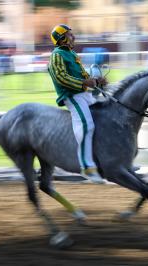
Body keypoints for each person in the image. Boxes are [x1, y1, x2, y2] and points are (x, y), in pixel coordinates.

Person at [48, 24, 107, 184]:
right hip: (71, 95)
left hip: (84, 94)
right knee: (87, 125)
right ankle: (87, 167)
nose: (73, 37)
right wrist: (85, 83)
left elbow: (84, 76)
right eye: (70, 35)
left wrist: (97, 81)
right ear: (61, 39)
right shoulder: (57, 55)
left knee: (107, 113)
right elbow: (61, 77)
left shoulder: (71, 54)